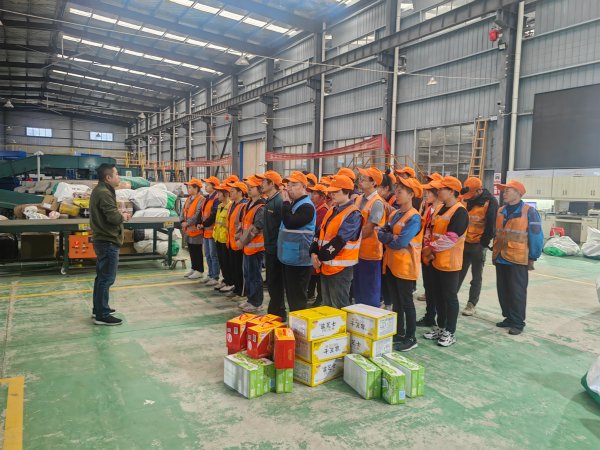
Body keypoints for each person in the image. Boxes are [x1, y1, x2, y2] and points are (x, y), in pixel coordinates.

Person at [421, 176, 468, 347]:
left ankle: (450, 331)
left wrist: (430, 248)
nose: (438, 191)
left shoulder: (460, 212)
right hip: (435, 261)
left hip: (449, 263)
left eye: (442, 189)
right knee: (438, 296)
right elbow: (430, 230)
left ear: (452, 191)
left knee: (450, 297)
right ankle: (441, 327)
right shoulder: (440, 208)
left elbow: (451, 238)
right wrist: (428, 247)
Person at [378, 177, 423, 351]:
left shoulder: (414, 218)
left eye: (400, 192)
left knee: (406, 302)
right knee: (396, 301)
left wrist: (389, 237)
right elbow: (381, 233)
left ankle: (411, 337)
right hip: (391, 264)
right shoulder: (395, 214)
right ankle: (399, 332)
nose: (396, 194)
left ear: (411, 195)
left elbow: (401, 242)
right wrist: (391, 237)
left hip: (405, 266)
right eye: (396, 191)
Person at [493, 180, 543, 336]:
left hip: (517, 259)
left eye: (508, 190)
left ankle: (518, 322)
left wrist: (533, 256)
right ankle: (508, 317)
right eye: (504, 190)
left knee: (517, 292)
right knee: (503, 290)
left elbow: (536, 235)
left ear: (518, 193)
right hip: (500, 256)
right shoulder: (501, 211)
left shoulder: (529, 212)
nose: (504, 193)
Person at [311, 175, 363, 309]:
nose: (332, 194)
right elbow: (319, 232)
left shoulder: (353, 214)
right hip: (325, 265)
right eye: (331, 191)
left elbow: (339, 241)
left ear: (346, 191)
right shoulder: (332, 210)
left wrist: (319, 256)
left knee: (339, 306)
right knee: (327, 306)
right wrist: (313, 252)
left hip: (340, 269)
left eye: (336, 191)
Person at [89, 163, 130, 325]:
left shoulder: (102, 190)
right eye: (117, 174)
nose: (119, 177)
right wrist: (123, 216)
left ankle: (99, 309)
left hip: (104, 239)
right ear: (108, 177)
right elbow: (112, 217)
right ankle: (102, 315)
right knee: (106, 279)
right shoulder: (104, 193)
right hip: (107, 240)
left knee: (102, 277)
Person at [277, 171, 316, 317]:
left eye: (294, 185)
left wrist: (286, 202)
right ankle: (295, 323)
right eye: (288, 185)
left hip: (300, 260)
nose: (289, 188)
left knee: (298, 297)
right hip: (289, 257)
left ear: (304, 187)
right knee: (291, 295)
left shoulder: (307, 207)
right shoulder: (295, 203)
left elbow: (290, 222)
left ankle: (300, 325)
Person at [458, 177, 498, 316]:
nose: (469, 197)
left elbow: (491, 225)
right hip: (464, 242)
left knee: (476, 276)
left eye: (472, 194)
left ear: (479, 190)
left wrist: (483, 243)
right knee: (458, 273)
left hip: (479, 245)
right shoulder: (467, 200)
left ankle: (471, 304)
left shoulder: (490, 202)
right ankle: (450, 298)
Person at [353, 167, 386, 307]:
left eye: (364, 178)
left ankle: (371, 315)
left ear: (373, 183)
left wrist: (352, 237)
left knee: (370, 291)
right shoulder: (359, 198)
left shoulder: (377, 203)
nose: (360, 180)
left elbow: (369, 228)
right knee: (359, 289)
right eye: (360, 177)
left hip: (370, 254)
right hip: (357, 251)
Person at [256, 171, 285, 317]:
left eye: (263, 182)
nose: (261, 184)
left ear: (271, 184)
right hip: (269, 247)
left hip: (276, 249)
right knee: (272, 282)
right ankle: (274, 311)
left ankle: (279, 312)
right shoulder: (269, 201)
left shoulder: (279, 202)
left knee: (276, 282)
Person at [236, 176, 266, 313]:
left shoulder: (261, 207)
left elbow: (256, 228)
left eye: (252, 187)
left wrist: (242, 241)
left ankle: (257, 302)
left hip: (256, 248)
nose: (248, 189)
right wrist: (238, 238)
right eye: (248, 187)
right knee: (248, 275)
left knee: (255, 276)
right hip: (247, 247)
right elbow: (243, 223)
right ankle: (250, 299)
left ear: (260, 189)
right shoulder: (248, 204)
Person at [416, 182, 442, 327]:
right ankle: (430, 315)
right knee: (429, 287)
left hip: (434, 255)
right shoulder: (429, 209)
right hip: (425, 254)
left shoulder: (442, 210)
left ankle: (437, 318)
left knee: (436, 289)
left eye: (429, 192)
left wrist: (430, 249)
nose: (426, 195)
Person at [224, 181, 249, 299]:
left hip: (239, 243)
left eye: (233, 191)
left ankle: (242, 291)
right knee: (234, 267)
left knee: (240, 269)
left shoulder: (244, 206)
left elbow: (243, 225)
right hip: (231, 242)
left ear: (240, 192)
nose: (230, 193)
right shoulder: (232, 205)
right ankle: (236, 287)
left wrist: (241, 240)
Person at [306, 183, 330, 306]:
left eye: (315, 193)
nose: (312, 196)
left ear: (322, 196)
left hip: (320, 247)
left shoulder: (324, 210)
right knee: (314, 273)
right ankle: (312, 294)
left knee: (318, 274)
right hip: (315, 245)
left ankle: (320, 298)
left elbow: (317, 230)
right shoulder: (317, 209)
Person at [181, 178, 205, 280]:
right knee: (191, 250)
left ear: (196, 188)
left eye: (190, 187)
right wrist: (182, 221)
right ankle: (194, 268)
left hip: (196, 230)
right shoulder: (189, 198)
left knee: (197, 250)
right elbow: (183, 211)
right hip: (188, 230)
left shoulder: (201, 199)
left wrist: (187, 223)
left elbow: (197, 214)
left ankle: (199, 270)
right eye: (188, 187)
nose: (188, 189)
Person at [200, 176, 221, 286]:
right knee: (208, 255)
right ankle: (210, 274)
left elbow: (213, 215)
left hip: (212, 231)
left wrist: (204, 224)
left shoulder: (216, 199)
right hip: (206, 231)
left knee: (213, 255)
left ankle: (215, 276)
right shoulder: (207, 198)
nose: (205, 186)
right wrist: (200, 223)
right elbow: (203, 213)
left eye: (208, 185)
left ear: (214, 186)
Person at [212, 183, 232, 291]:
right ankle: (225, 280)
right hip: (218, 237)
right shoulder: (220, 206)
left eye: (219, 193)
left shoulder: (230, 206)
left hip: (225, 239)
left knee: (227, 262)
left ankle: (229, 282)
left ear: (226, 194)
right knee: (221, 262)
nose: (217, 195)